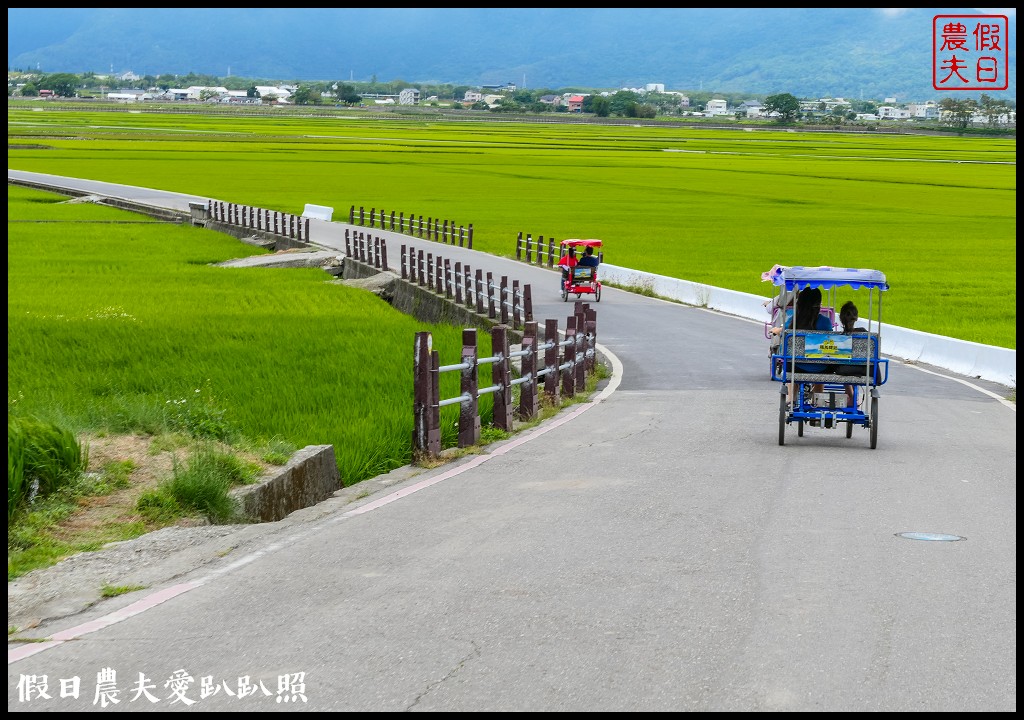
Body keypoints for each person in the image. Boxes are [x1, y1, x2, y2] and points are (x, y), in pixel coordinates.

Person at [770, 286, 832, 405]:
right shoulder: (825, 322)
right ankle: (818, 401)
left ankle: (791, 397)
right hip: (821, 367)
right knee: (822, 361)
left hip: (796, 365)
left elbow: (783, 336)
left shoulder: (793, 321)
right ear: (818, 304)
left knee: (790, 361)